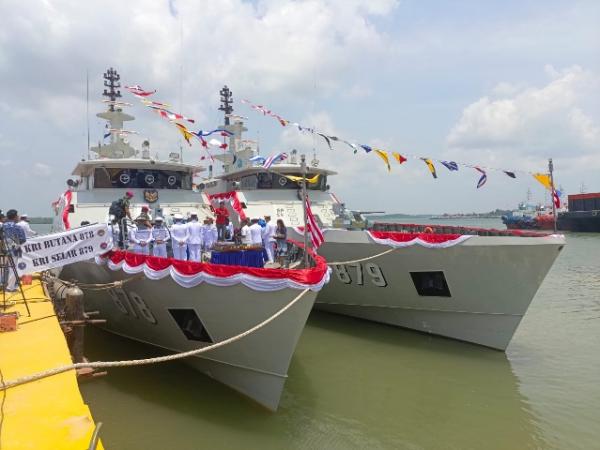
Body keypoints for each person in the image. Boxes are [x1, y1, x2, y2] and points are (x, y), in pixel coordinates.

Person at [2, 209, 27, 292]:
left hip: (4, 250)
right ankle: (10, 287)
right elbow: (23, 239)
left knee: (5, 268)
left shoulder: (3, 226)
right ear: (15, 217)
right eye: (17, 215)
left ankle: (3, 284)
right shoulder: (17, 227)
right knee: (13, 269)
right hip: (14, 251)